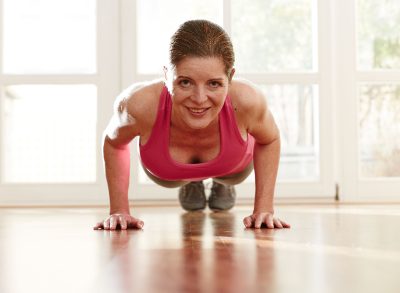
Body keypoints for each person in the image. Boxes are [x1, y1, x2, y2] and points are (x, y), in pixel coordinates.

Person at [94, 19, 290, 231]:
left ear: (230, 77)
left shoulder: (247, 100)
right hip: (169, 173)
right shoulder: (138, 104)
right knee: (178, 185)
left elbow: (269, 139)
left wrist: (264, 209)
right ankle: (193, 182)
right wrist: (119, 210)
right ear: (167, 75)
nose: (199, 99)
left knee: (230, 178)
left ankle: (217, 183)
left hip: (231, 167)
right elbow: (113, 143)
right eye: (185, 82)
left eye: (214, 84)